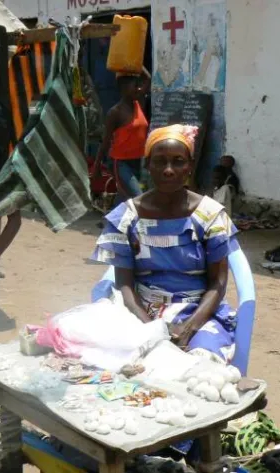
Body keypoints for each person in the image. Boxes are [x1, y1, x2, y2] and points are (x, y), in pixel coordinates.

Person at [92, 124, 240, 364]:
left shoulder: (210, 216)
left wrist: (189, 328)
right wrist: (153, 330)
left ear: (190, 166)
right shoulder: (126, 217)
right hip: (139, 310)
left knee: (201, 363)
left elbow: (218, 282)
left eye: (178, 161)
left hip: (196, 310)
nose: (169, 170)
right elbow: (125, 285)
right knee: (113, 359)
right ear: (148, 165)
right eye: (160, 161)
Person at [93, 68, 151, 201]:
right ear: (122, 88)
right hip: (120, 163)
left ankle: (109, 221)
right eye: (134, 86)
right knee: (138, 198)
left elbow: (147, 79)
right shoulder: (115, 112)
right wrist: (97, 168)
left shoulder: (139, 103)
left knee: (124, 201)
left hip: (137, 162)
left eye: (138, 86)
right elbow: (105, 142)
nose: (138, 89)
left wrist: (135, 63)